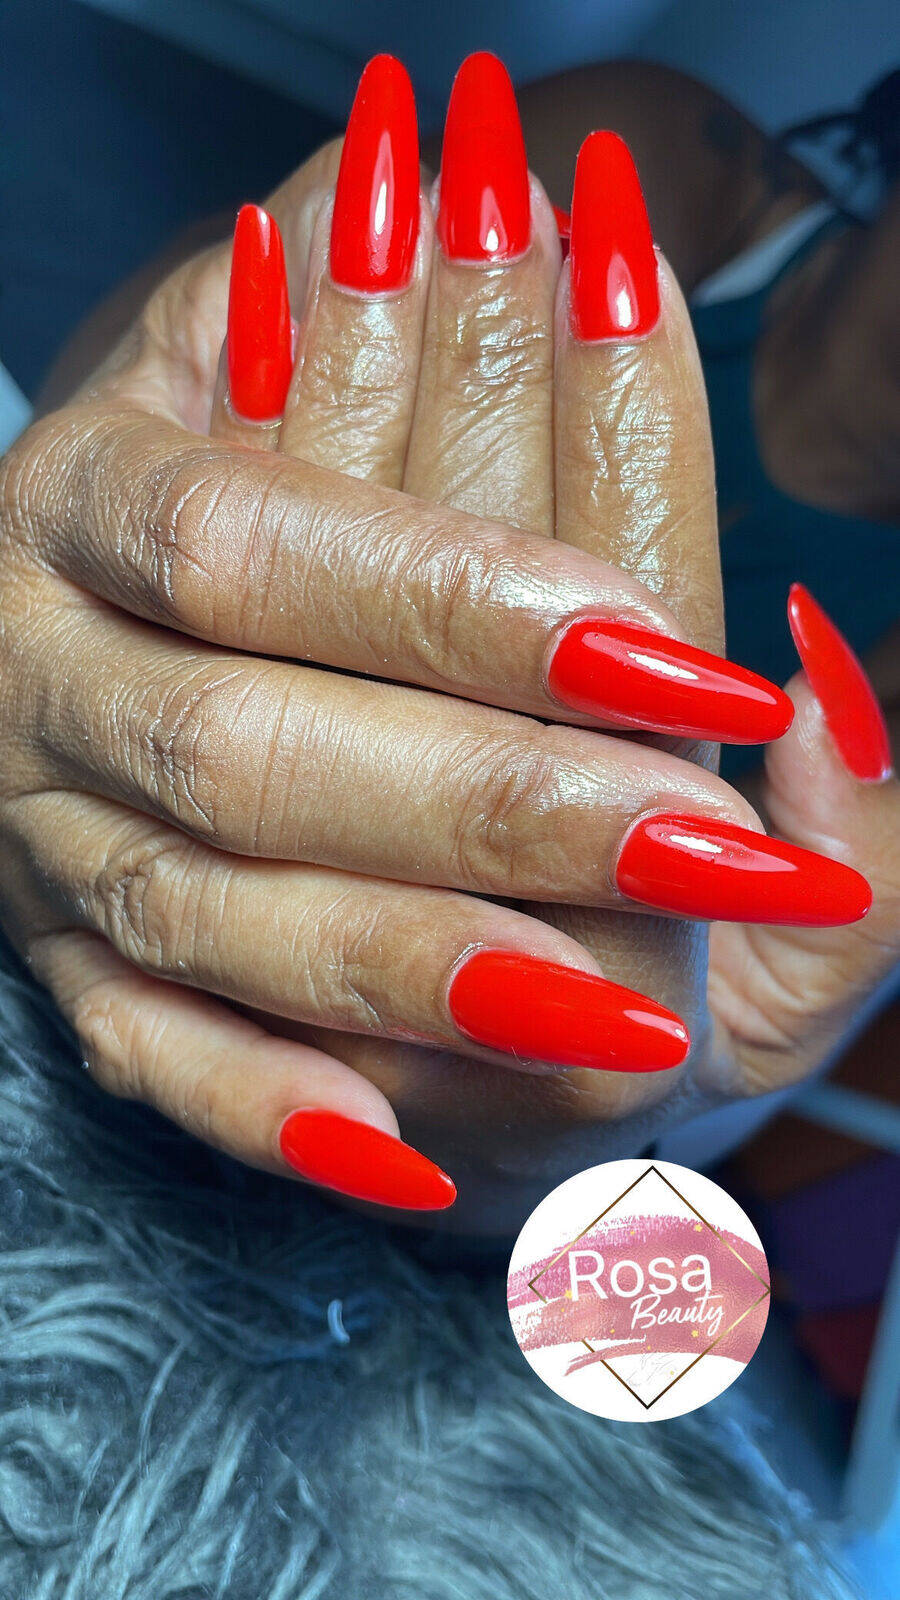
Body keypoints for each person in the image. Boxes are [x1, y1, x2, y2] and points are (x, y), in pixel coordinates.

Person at [0, 53, 896, 1237]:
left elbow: (653, 1095)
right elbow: (119, 404)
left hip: (370, 1135)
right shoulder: (672, 158)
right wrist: (63, 586)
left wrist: (578, 1128)